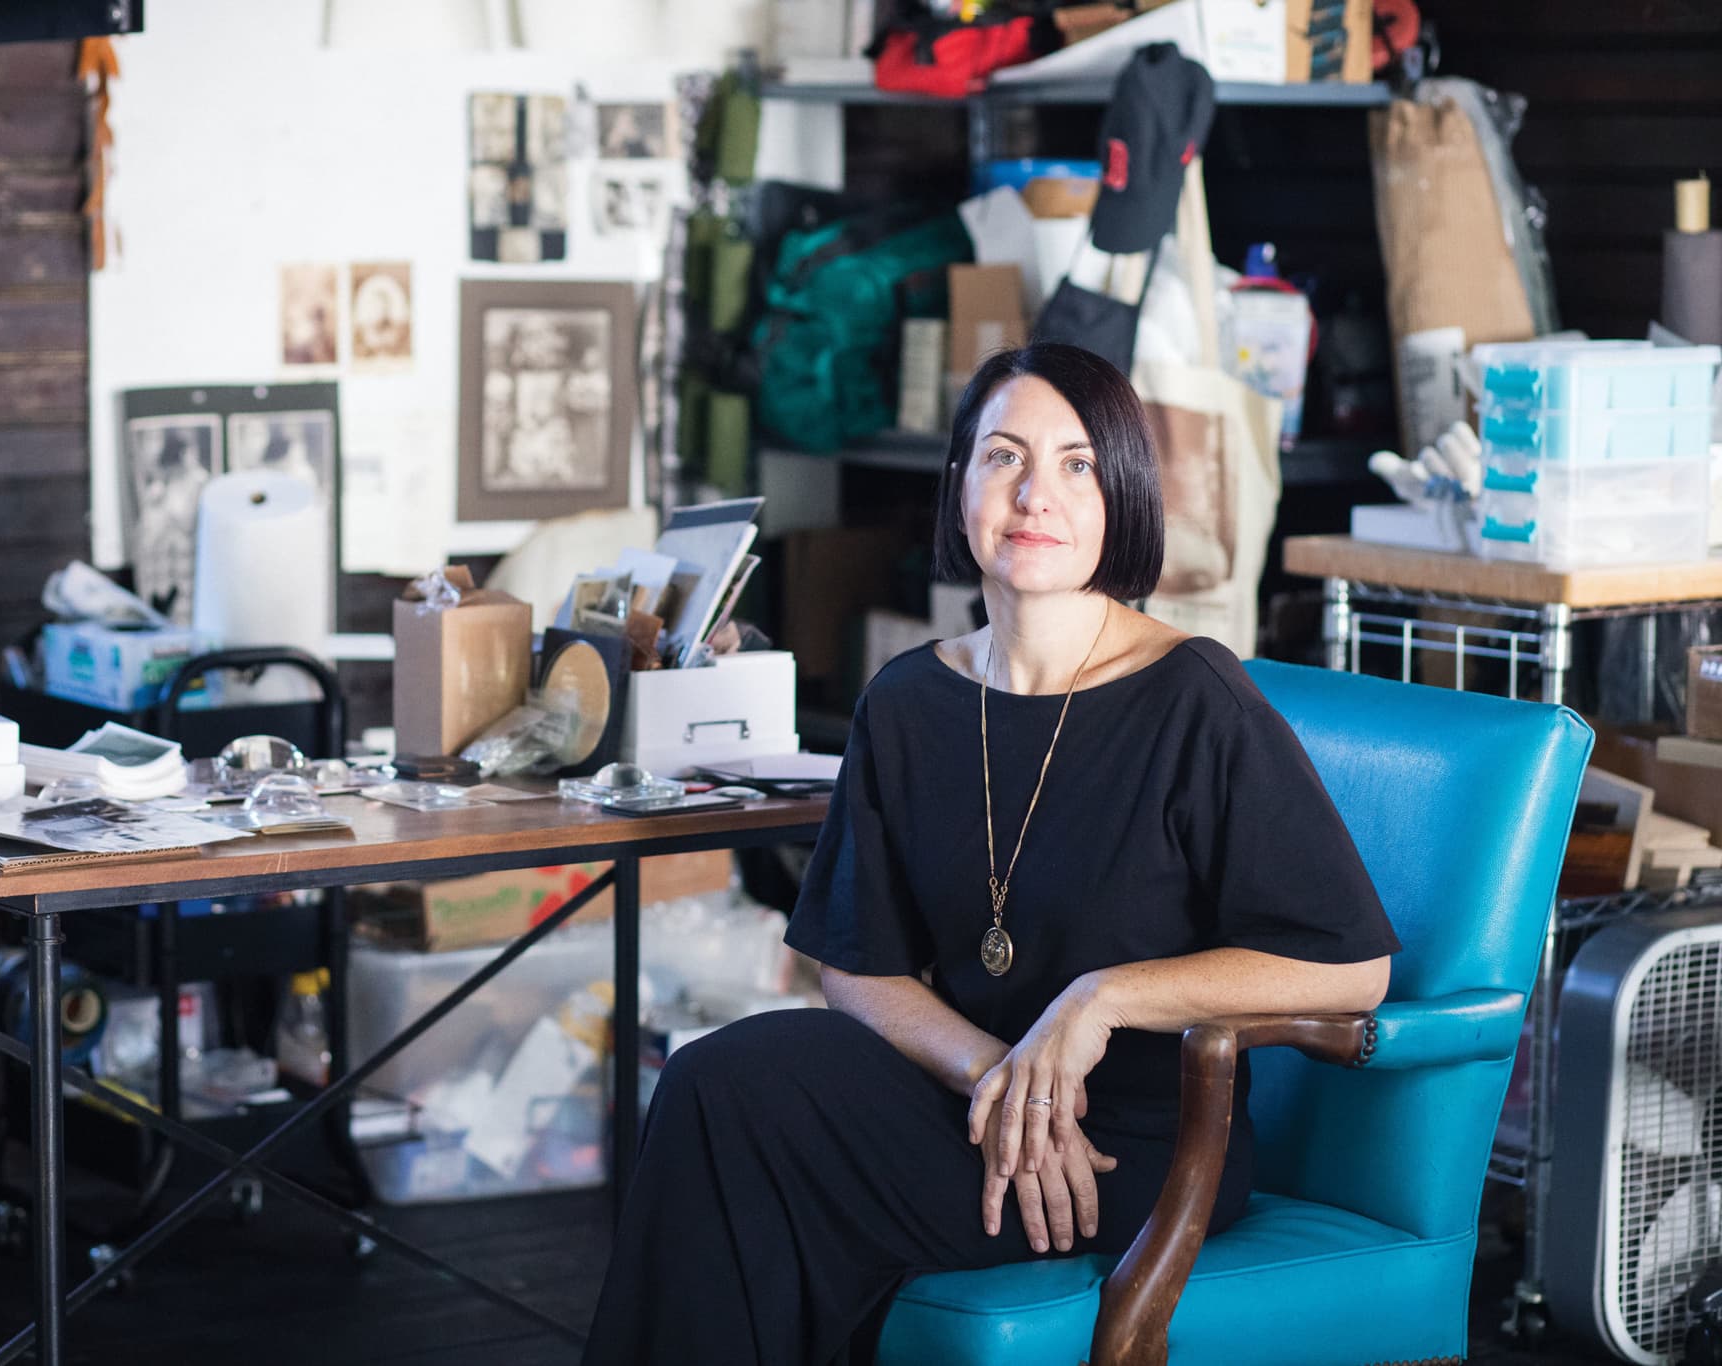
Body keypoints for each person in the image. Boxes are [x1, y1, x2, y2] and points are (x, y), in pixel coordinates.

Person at [580, 342, 1400, 1366]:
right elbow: (856, 961)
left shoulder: (1195, 697)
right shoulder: (909, 698)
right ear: (958, 484)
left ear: (1122, 497)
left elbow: (1348, 964)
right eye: (1001, 457)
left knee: (750, 1154)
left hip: (1136, 1142)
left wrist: (1099, 997)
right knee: (713, 1078)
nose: (1032, 495)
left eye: (1074, 464)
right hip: (975, 1103)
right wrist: (997, 1077)